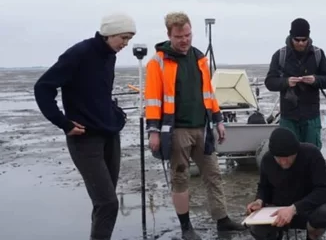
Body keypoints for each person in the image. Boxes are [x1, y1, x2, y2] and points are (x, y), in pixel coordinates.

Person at [33, 13, 137, 240]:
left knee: (103, 203)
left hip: (110, 135)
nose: (126, 44)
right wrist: (63, 122)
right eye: (124, 37)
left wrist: (116, 115)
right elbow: (43, 88)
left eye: (129, 38)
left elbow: (99, 93)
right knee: (108, 203)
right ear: (109, 33)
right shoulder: (78, 53)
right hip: (84, 139)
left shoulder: (110, 55)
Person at [145, 12, 243, 240]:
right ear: (169, 35)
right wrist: (154, 132)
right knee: (180, 177)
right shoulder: (157, 62)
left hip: (203, 128)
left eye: (188, 35)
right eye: (179, 36)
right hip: (176, 130)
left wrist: (218, 121)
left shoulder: (200, 58)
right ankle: (186, 227)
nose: (185, 40)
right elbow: (152, 99)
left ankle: (222, 220)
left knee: (214, 174)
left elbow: (209, 93)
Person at [246, 127, 326, 240]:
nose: (284, 162)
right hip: (278, 210)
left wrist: (294, 209)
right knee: (256, 226)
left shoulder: (312, 154)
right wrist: (259, 200)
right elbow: (264, 187)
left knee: (324, 213)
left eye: (288, 157)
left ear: (296, 152)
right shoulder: (267, 159)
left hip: (306, 208)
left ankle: (313, 237)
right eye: (279, 158)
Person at [264, 18, 326, 149]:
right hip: (288, 116)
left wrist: (315, 80)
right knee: (288, 152)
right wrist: (286, 82)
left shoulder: (318, 54)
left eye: (304, 39)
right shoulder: (280, 55)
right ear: (291, 37)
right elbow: (269, 82)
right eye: (297, 40)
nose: (301, 43)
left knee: (312, 153)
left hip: (311, 116)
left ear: (309, 37)